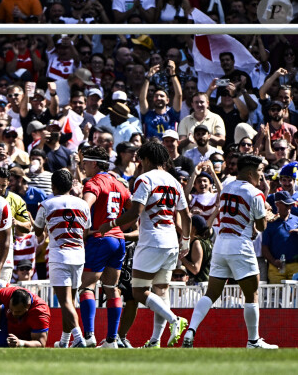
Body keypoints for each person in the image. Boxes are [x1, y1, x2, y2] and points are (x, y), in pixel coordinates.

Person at [99, 141, 191, 348]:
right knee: (160, 291)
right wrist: (185, 241)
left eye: (140, 159)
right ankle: (155, 341)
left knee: (139, 291)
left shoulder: (144, 179)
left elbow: (135, 213)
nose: (139, 163)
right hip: (171, 244)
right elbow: (187, 216)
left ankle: (174, 319)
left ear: (147, 159)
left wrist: (111, 224)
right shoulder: (174, 181)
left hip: (151, 241)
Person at [182, 155, 278, 349]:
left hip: (221, 244)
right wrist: (267, 217)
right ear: (250, 172)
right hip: (240, 245)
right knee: (252, 294)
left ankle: (191, 330)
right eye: (260, 171)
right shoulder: (255, 193)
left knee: (211, 293)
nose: (261, 176)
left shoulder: (226, 188)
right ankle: (253, 341)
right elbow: (261, 226)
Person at [78, 146, 132, 348]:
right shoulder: (118, 183)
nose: (83, 166)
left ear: (94, 163)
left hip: (100, 239)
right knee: (111, 288)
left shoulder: (94, 182)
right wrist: (118, 226)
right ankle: (111, 340)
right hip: (118, 240)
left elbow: (85, 206)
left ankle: (89, 336)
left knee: (86, 287)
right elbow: (133, 209)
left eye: (85, 162)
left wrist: (87, 231)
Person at [34, 169, 91, 348]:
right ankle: (65, 341)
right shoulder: (83, 205)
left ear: (53, 185)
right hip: (79, 255)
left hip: (59, 255)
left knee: (65, 302)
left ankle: (79, 338)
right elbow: (86, 232)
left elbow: (37, 231)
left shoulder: (46, 204)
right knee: (70, 302)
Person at [261, 191, 298, 284]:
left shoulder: (297, 220)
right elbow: (264, 247)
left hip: (295, 266)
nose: (289, 207)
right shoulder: (270, 223)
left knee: (294, 297)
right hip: (276, 268)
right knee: (275, 297)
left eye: (290, 204)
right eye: (286, 205)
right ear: (277, 204)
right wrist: (273, 262)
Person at [179, 215, 213, 284]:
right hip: (206, 283)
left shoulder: (196, 243)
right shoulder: (207, 240)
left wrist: (180, 256)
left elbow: (195, 269)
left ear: (193, 228)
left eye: (187, 225)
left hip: (199, 286)